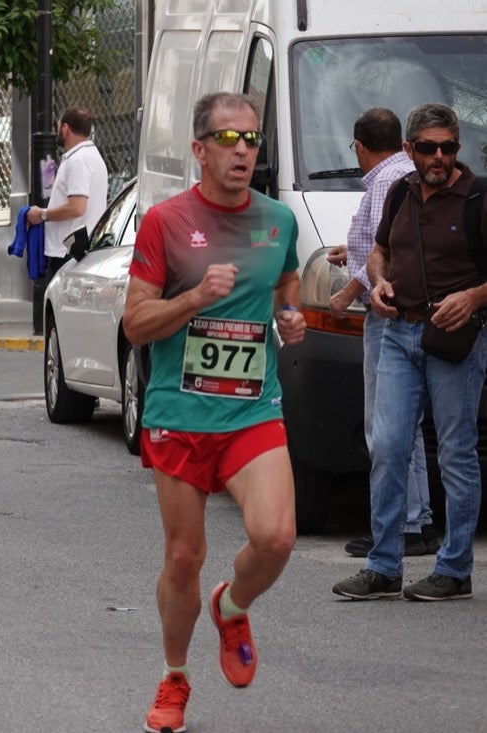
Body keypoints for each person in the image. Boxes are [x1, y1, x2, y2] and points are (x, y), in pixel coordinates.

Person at [122, 92, 303, 733]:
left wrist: (289, 314)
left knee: (278, 536)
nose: (243, 151)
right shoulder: (165, 223)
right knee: (184, 558)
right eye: (228, 141)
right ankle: (175, 677)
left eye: (251, 140)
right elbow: (136, 324)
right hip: (179, 410)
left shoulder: (279, 221)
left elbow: (284, 282)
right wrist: (197, 295)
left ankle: (234, 604)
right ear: (199, 150)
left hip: (253, 410)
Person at [333, 102, 487, 602]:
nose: (438, 156)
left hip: (454, 339)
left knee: (456, 455)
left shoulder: (478, 196)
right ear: (409, 150)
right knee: (389, 447)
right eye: (428, 148)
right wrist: (376, 283)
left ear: (457, 149)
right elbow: (380, 251)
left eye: (447, 147)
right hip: (398, 334)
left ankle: (455, 568)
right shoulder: (399, 191)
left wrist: (471, 298)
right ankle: (383, 566)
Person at [328, 108, 439, 559]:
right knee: (403, 425)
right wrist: (350, 251)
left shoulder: (386, 181)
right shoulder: (400, 175)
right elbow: (379, 243)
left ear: (359, 146)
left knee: (387, 425)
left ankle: (405, 525)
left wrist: (347, 293)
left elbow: (386, 257)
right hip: (405, 313)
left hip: (387, 316)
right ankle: (416, 521)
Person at [26, 107, 108, 336]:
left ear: (66, 128)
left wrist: (41, 214)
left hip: (67, 254)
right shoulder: (93, 157)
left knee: (62, 327)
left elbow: (77, 206)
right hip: (81, 251)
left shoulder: (78, 161)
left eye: (58, 126)